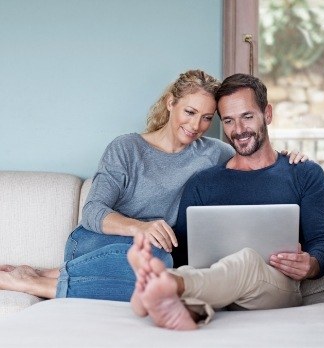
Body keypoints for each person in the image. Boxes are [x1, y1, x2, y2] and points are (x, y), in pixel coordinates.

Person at [0, 70, 306, 302]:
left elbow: (252, 157)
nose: (196, 125)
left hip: (155, 255)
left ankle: (48, 274)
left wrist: (286, 157)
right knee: (159, 262)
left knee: (168, 270)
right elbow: (92, 211)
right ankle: (37, 284)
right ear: (171, 103)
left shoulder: (213, 153)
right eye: (189, 112)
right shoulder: (127, 148)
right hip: (96, 244)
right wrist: (139, 228)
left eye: (206, 118)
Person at [127, 73, 324, 330]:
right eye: (228, 120)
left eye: (247, 116)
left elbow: (322, 244)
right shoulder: (202, 183)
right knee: (213, 275)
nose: (239, 130)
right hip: (217, 286)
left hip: (276, 288)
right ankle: (184, 307)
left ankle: (168, 284)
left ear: (267, 114)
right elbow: (183, 253)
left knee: (246, 261)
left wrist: (310, 265)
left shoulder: (303, 173)